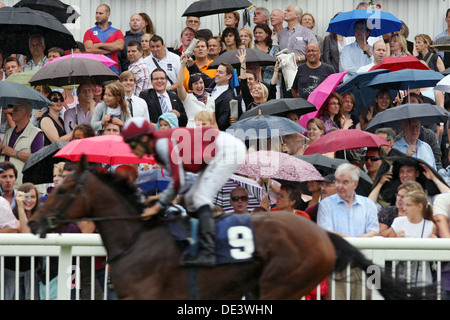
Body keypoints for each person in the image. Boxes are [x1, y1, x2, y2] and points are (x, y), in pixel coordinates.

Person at [122, 117, 247, 267]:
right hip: (219, 151)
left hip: (228, 150)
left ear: (143, 138)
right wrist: (160, 198)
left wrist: (158, 206)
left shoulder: (161, 145)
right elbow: (185, 181)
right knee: (190, 198)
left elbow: (179, 181)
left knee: (200, 198)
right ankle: (202, 241)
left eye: (133, 143)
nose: (131, 149)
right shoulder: (157, 150)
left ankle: (209, 252)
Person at [317, 163, 379, 300]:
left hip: (365, 265)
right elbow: (326, 232)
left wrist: (357, 240)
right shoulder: (326, 204)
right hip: (337, 264)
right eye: (337, 181)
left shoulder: (368, 204)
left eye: (345, 182)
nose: (340, 186)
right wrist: (354, 240)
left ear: (355, 184)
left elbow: (374, 231)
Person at [388, 190, 436, 286]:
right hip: (400, 278)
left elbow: (433, 256)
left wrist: (434, 243)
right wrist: (396, 240)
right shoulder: (398, 222)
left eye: (408, 205)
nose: (404, 208)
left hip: (423, 280)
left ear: (419, 207)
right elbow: (388, 250)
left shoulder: (430, 225)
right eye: (404, 205)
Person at [0, 100, 44, 187]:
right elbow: (5, 153)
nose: (13, 111)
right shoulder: (9, 132)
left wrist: (15, 153)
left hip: (24, 186)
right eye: (13, 109)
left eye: (16, 109)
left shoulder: (36, 133)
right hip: (5, 185)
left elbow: (38, 160)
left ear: (27, 112)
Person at [186, 61, 237, 131]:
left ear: (228, 76)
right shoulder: (213, 82)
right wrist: (190, 60)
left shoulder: (229, 97)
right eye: (217, 71)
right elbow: (197, 73)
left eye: (220, 72)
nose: (216, 74)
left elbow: (222, 122)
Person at [83, 4, 125, 74]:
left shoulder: (117, 32)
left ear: (108, 15)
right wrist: (109, 50)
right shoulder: (89, 32)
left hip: (112, 70)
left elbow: (120, 46)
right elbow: (89, 49)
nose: (97, 15)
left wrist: (99, 45)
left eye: (100, 13)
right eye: (96, 13)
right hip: (94, 70)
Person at [177, 53, 215, 128]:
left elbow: (214, 122)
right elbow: (179, 86)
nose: (199, 86)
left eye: (201, 83)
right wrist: (182, 65)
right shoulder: (188, 98)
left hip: (208, 135)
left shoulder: (210, 99)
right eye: (195, 83)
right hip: (192, 134)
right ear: (191, 87)